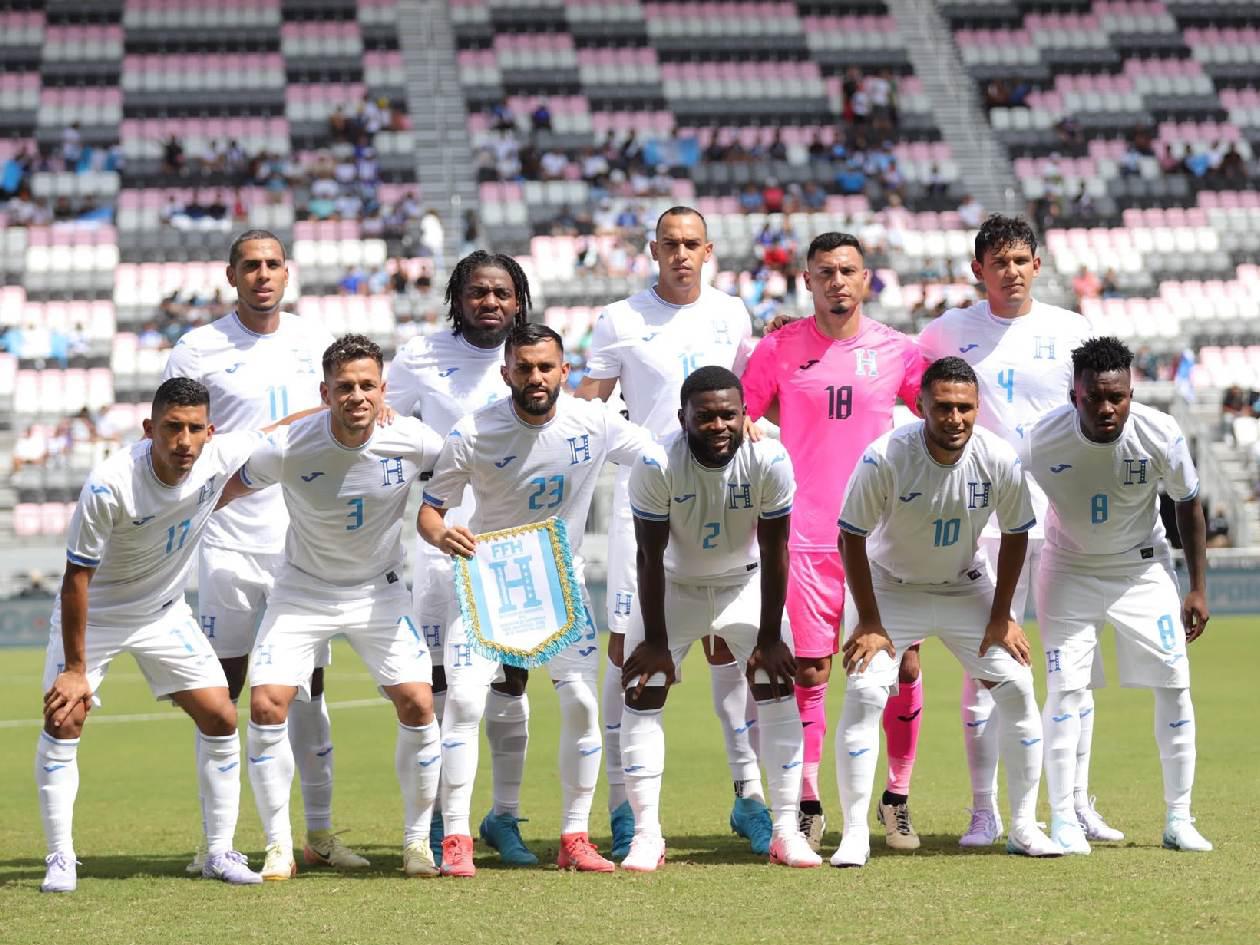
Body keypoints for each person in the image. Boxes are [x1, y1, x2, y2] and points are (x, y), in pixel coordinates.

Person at [161, 230, 366, 873]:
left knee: (309, 693)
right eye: (250, 265)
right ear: (230, 276)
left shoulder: (314, 344)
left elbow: (343, 419)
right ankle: (214, 841)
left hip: (299, 545)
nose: (262, 275)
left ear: (288, 272)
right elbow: (179, 438)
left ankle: (321, 835)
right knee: (220, 694)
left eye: (273, 264)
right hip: (225, 543)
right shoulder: (198, 348)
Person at [918, 214, 1120, 848]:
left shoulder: (1071, 330)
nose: (1010, 271)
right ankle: (985, 812)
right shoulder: (948, 330)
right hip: (982, 517)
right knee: (988, 667)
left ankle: (1076, 802)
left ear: (1037, 265)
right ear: (977, 270)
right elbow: (889, 369)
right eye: (997, 262)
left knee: (1071, 669)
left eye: (1020, 260)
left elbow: (1103, 407)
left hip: (1061, 515)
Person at [419, 323, 651, 877]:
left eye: (546, 367)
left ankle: (574, 835)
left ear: (564, 372)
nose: (536, 377)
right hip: (484, 582)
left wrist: (751, 429)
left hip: (560, 586)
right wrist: (439, 533)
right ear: (506, 374)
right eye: (524, 368)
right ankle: (455, 838)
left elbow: (662, 452)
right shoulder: (474, 432)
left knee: (582, 705)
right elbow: (431, 509)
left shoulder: (593, 421)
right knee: (466, 704)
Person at [574, 206, 767, 859]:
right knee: (628, 649)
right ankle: (623, 809)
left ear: (708, 249)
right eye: (670, 244)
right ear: (652, 249)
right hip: (646, 503)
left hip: (724, 497)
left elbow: (751, 397)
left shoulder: (732, 314)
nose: (682, 254)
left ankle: (749, 795)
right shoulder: (619, 319)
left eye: (692, 244)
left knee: (729, 647)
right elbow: (587, 408)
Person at [224, 334, 445, 881]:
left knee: (419, 703)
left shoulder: (414, 440)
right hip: (303, 590)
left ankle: (417, 843)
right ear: (325, 392)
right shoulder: (290, 444)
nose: (357, 396)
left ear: (383, 389)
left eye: (367, 385)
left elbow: (461, 476)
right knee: (268, 705)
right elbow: (226, 488)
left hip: (381, 590)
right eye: (344, 387)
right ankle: (279, 847)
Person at [38, 378, 267, 893]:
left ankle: (218, 852)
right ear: (149, 429)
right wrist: (75, 671)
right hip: (96, 615)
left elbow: (279, 431)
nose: (183, 441)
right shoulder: (109, 483)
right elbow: (77, 579)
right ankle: (60, 858)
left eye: (193, 429)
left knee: (220, 713)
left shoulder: (218, 455)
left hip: (163, 613)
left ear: (210, 431)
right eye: (171, 428)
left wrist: (354, 408)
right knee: (63, 717)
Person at [834, 357, 1060, 866]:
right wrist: (869, 620)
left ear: (978, 408)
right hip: (892, 590)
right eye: (943, 407)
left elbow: (1018, 530)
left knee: (1019, 688)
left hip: (965, 588)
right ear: (921, 407)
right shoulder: (885, 457)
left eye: (965, 408)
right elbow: (850, 535)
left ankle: (1023, 825)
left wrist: (1002, 615)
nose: (954, 418)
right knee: (866, 693)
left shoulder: (997, 457)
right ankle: (853, 834)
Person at [742, 232, 926, 853]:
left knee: (901, 666)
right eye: (825, 273)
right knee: (812, 668)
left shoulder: (897, 351)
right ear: (808, 282)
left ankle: (896, 798)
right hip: (807, 537)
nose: (837, 282)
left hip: (882, 541)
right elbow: (739, 417)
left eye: (847, 271)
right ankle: (809, 801)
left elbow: (944, 410)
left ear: (866, 278)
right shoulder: (778, 348)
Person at [619, 367, 820, 872]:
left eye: (729, 415)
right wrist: (658, 641)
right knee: (644, 688)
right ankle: (647, 836)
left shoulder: (769, 458)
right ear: (682, 417)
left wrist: (771, 636)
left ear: (745, 414)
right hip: (674, 585)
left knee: (776, 686)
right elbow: (648, 555)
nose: (718, 425)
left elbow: (777, 548)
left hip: (744, 583)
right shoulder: (655, 462)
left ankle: (786, 831)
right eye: (704, 416)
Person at [1024, 336, 1213, 854]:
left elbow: (1189, 504)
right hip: (1068, 571)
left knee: (1175, 685)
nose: (1107, 408)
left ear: (1131, 391)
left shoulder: (1160, 432)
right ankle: (1063, 818)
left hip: (1142, 571)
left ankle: (1178, 819)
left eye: (1118, 397)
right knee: (1065, 689)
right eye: (1094, 398)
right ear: (1073, 396)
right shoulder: (1043, 441)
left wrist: (1197, 587)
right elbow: (1009, 509)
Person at [385, 250, 534, 868]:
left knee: (512, 680)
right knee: (444, 684)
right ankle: (449, 817)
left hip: (516, 546)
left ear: (518, 300)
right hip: (442, 543)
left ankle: (503, 815)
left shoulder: (529, 358)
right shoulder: (421, 356)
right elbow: (379, 424)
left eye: (502, 293)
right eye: (478, 292)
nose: (490, 303)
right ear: (459, 297)